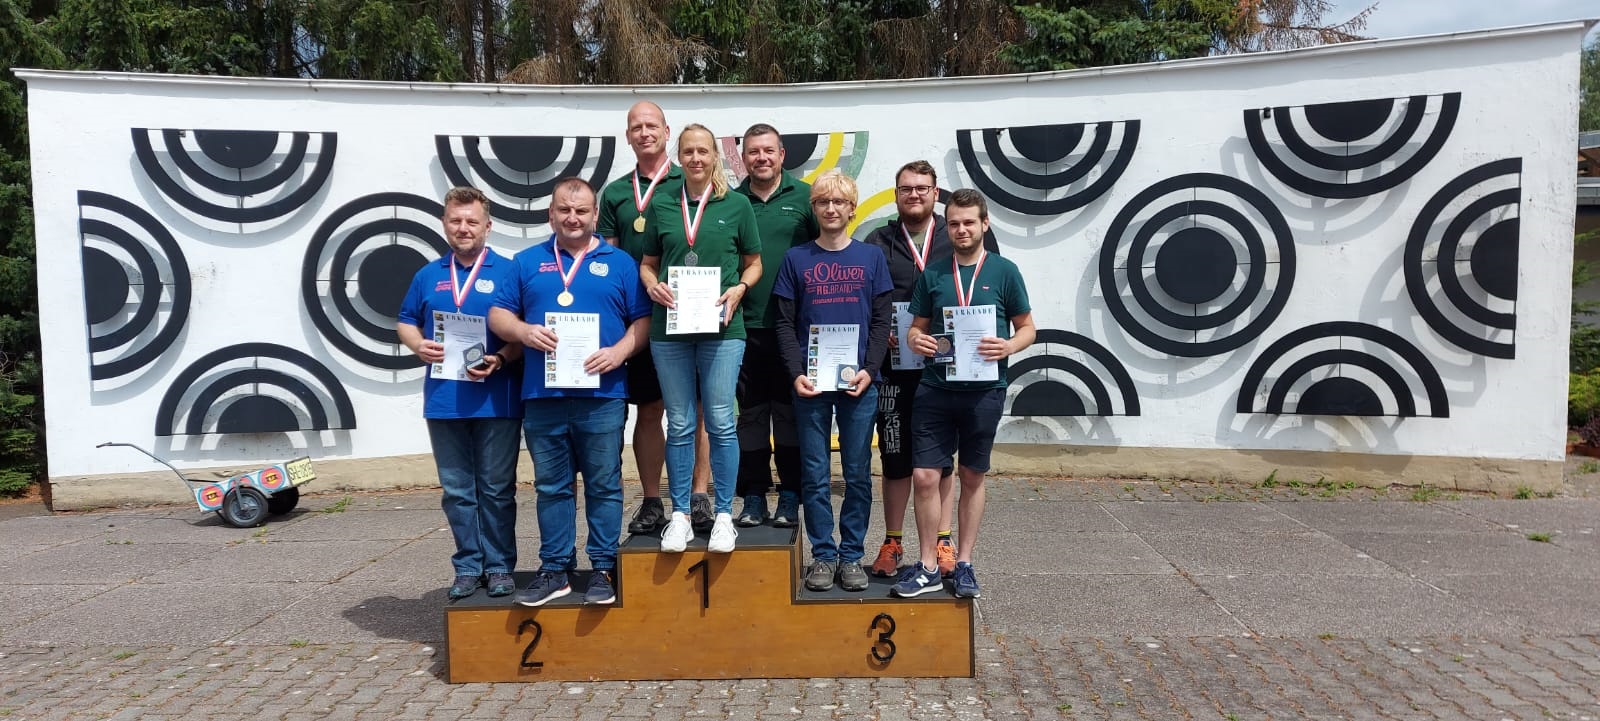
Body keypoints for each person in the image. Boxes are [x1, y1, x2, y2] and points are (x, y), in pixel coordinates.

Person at [489, 177, 650, 606]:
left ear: (595, 215)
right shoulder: (526, 262)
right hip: (543, 396)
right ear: (551, 214)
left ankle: (603, 567)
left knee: (604, 484)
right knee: (552, 487)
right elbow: (498, 315)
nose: (573, 218)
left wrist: (619, 352)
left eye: (581, 211)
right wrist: (523, 331)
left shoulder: (620, 263)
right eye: (564, 210)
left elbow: (643, 320)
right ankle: (555, 568)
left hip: (603, 396)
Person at [894, 189, 1034, 599]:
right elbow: (915, 328)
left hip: (985, 391)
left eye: (969, 222)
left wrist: (1009, 346)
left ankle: (966, 562)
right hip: (935, 389)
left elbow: (1028, 328)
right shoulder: (934, 274)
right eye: (954, 223)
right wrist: (916, 340)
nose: (961, 229)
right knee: (924, 476)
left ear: (984, 224)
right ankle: (928, 566)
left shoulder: (1005, 272)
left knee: (972, 475)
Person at [862, 160, 994, 579]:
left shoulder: (953, 234)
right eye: (906, 188)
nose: (914, 194)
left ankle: (942, 541)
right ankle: (892, 541)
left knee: (940, 463)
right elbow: (865, 297)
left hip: (946, 369)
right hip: (894, 368)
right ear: (896, 195)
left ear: (936, 193)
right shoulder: (878, 240)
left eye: (922, 188)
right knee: (895, 457)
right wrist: (879, 331)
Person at [639, 123, 763, 554]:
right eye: (688, 151)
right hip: (670, 329)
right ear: (680, 156)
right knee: (679, 423)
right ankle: (680, 516)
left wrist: (740, 288)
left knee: (722, 421)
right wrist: (652, 283)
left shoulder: (738, 204)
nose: (695, 158)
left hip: (723, 328)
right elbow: (648, 262)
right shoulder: (662, 203)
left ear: (714, 157)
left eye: (703, 151)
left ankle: (724, 514)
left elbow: (754, 263)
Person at [396, 186, 524, 600]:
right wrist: (418, 345)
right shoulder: (427, 274)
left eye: (472, 221)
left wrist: (501, 357)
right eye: (456, 220)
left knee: (497, 489)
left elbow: (523, 334)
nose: (463, 228)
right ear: (444, 224)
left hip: (497, 398)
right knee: (456, 491)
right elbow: (405, 321)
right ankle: (468, 566)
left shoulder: (509, 272)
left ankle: (500, 565)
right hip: (444, 400)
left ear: (488, 225)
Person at [596, 101, 715, 536]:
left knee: (698, 410)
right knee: (649, 410)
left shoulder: (693, 178)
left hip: (692, 311)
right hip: (641, 315)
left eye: (652, 125)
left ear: (667, 132)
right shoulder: (614, 193)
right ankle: (651, 500)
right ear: (628, 136)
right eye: (636, 127)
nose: (644, 132)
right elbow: (606, 256)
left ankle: (698, 495)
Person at [772, 170, 891, 592]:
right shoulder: (796, 259)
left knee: (857, 473)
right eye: (823, 201)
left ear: (852, 209)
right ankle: (823, 554)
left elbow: (882, 321)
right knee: (815, 473)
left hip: (859, 382)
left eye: (839, 201)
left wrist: (870, 369)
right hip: (812, 384)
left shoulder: (871, 257)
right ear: (814, 208)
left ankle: (852, 554)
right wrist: (796, 373)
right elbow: (784, 324)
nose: (831, 208)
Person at [732, 124, 819, 528]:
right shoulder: (731, 202)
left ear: (782, 154)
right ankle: (753, 495)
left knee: (788, 415)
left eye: (769, 150)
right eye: (753, 151)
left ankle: (790, 494)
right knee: (750, 416)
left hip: (793, 329)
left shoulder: (806, 198)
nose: (761, 158)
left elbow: (825, 252)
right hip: (743, 327)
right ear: (743, 157)